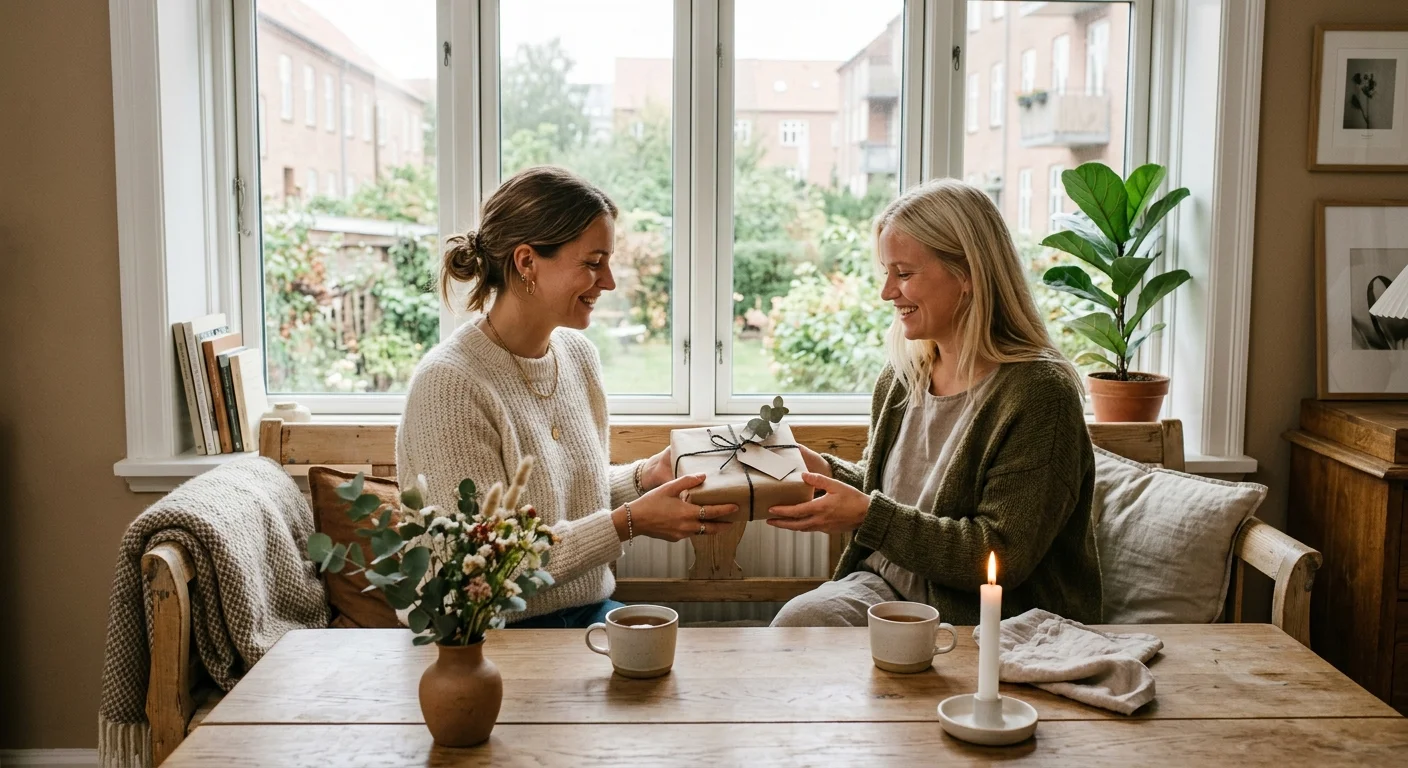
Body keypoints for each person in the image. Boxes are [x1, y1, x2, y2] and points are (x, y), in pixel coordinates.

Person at [397, 166, 737, 628]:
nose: (610, 281)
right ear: (526, 262)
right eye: (594, 263)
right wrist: (629, 522)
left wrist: (644, 478)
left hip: (587, 615)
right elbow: (481, 565)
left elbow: (563, 499)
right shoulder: (450, 385)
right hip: (487, 638)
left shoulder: (577, 356)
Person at [767, 178, 1102, 627]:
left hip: (985, 621)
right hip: (887, 587)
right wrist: (827, 474)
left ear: (967, 275)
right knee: (797, 627)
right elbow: (899, 494)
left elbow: (998, 555)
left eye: (903, 274)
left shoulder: (1039, 393)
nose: (887, 292)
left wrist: (868, 516)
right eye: (886, 273)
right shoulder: (904, 377)